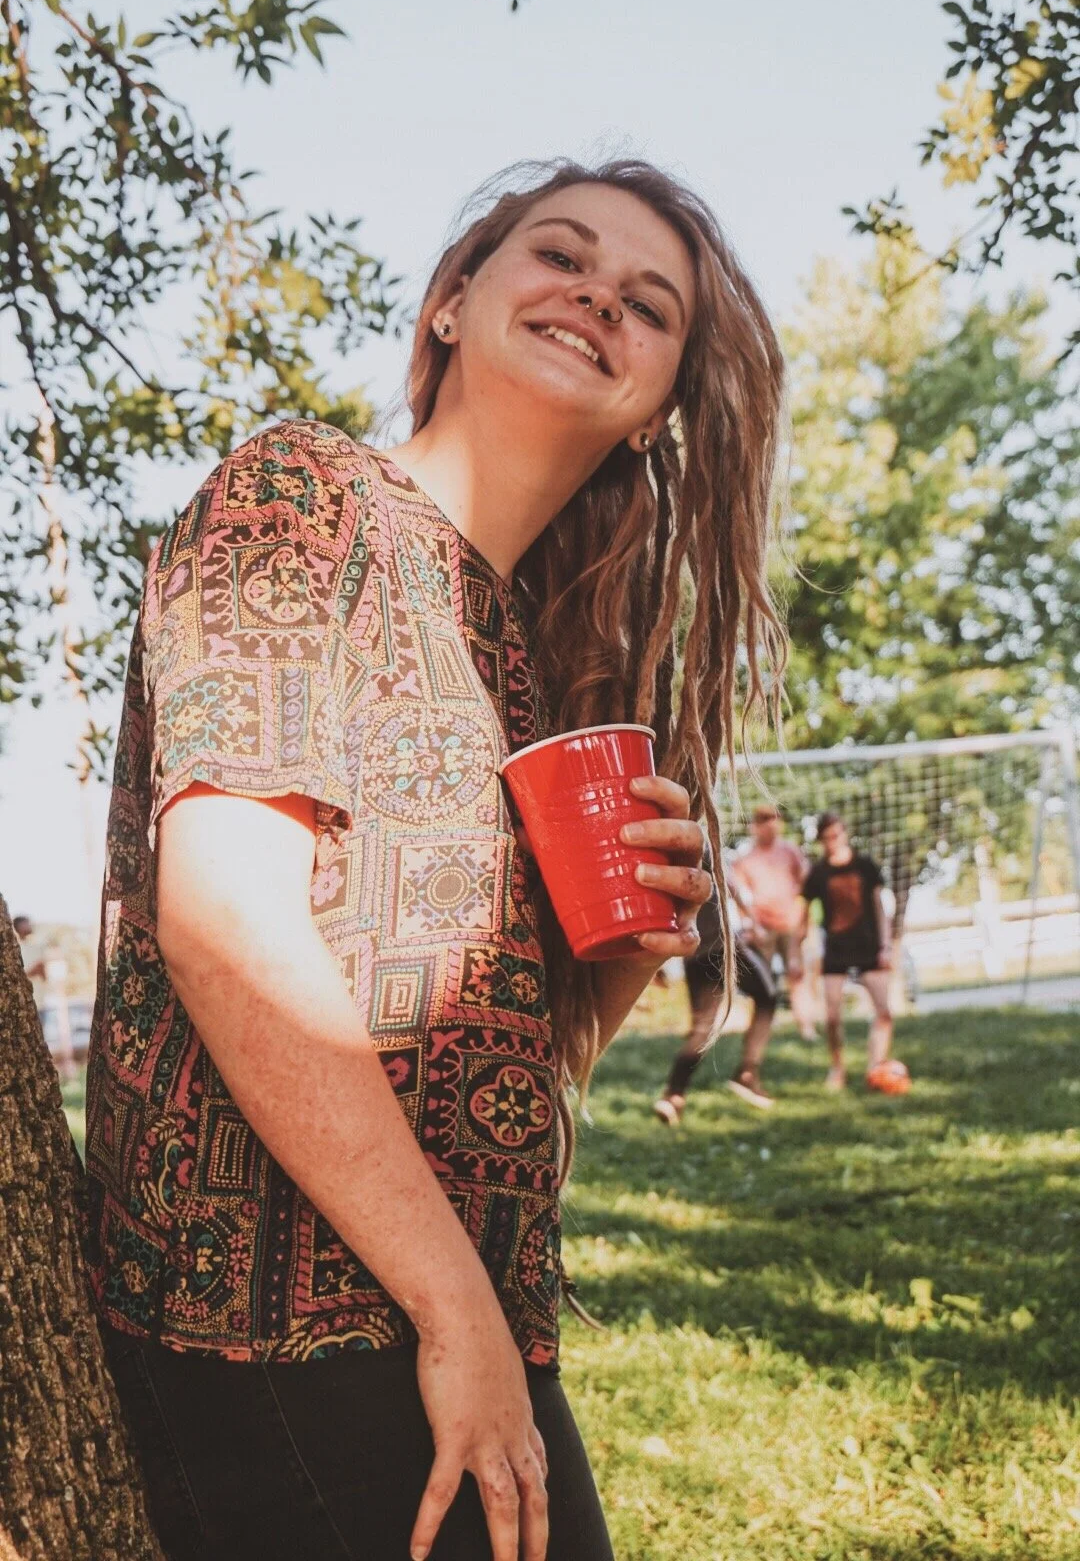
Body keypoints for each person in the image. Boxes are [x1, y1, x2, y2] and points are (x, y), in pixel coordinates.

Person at [81, 158, 786, 1561]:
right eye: (562, 256)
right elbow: (222, 920)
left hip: (443, 1313)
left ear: (658, 406)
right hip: (284, 1341)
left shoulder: (524, 654)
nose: (599, 296)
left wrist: (627, 961)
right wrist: (460, 1315)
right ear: (455, 301)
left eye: (648, 303)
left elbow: (503, 1085)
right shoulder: (304, 495)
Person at [653, 848, 779, 1121]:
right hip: (722, 946)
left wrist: (659, 963)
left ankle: (673, 1096)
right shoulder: (699, 842)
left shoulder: (659, 854)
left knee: (702, 1028)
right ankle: (747, 1073)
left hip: (693, 952)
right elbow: (730, 885)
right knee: (768, 996)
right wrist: (752, 921)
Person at [799, 812, 907, 1093]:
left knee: (884, 1012)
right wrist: (805, 949)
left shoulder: (865, 866)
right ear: (821, 840)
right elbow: (806, 914)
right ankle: (837, 1068)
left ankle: (876, 1067)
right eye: (826, 837)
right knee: (833, 1016)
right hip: (835, 951)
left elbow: (879, 906)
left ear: (844, 833)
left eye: (836, 834)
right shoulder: (818, 873)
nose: (832, 841)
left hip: (869, 948)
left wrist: (885, 945)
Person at [730, 804, 816, 1039]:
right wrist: (750, 926)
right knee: (763, 982)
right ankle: (765, 1026)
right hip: (762, 927)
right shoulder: (745, 859)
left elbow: (806, 887)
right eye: (764, 820)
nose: (771, 824)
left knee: (797, 975)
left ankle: (806, 1027)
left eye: (774, 819)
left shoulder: (790, 852)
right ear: (755, 826)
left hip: (790, 924)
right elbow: (738, 897)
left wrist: (803, 922)